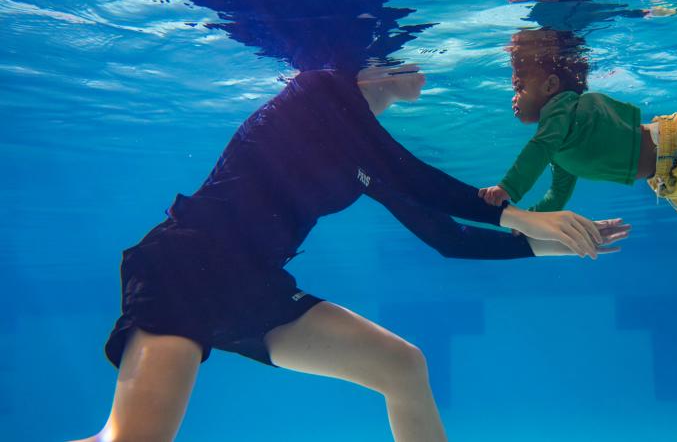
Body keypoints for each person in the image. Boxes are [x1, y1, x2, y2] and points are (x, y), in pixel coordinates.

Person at [74, 65, 630, 442]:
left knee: (401, 366)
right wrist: (518, 214)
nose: (423, 63)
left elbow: (447, 239)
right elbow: (410, 173)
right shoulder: (317, 89)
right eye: (408, 52)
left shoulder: (363, 156)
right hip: (187, 267)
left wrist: (559, 245)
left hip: (254, 285)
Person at [479, 29, 677, 222]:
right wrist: (526, 220)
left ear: (550, 85)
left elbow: (538, 149)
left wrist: (509, 189)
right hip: (663, 175)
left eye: (519, 86)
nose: (514, 97)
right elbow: (558, 195)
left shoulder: (561, 110)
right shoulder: (560, 146)